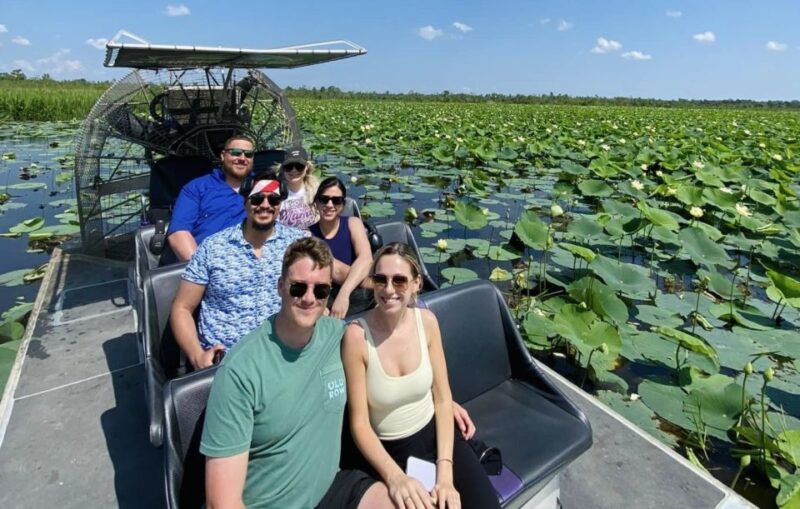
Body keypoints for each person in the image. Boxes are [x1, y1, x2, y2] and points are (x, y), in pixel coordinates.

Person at [201, 237, 394, 508]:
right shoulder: (240, 372)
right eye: (298, 287)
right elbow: (222, 503)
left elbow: (392, 354)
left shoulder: (338, 336)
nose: (308, 298)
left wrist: (439, 398)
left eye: (320, 290)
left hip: (331, 489)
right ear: (281, 286)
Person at [342, 243, 501, 509]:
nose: (389, 289)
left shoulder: (427, 323)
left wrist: (445, 474)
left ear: (416, 283)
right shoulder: (357, 337)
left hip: (437, 435)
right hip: (391, 452)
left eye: (399, 280)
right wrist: (395, 478)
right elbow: (359, 424)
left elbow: (442, 399)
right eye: (380, 279)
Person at [170, 176, 307, 370]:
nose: (265, 205)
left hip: (284, 355)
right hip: (228, 362)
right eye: (257, 199)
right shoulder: (213, 247)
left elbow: (321, 284)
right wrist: (197, 355)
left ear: (280, 205)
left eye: (273, 200)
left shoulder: (298, 244)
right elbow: (182, 308)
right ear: (245, 202)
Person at [167, 135, 255, 262]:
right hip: (207, 264)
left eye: (248, 154)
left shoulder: (263, 187)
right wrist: (201, 268)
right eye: (236, 153)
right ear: (223, 155)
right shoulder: (197, 187)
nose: (242, 158)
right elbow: (179, 233)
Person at [309, 177, 372, 319]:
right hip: (326, 293)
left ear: (342, 205)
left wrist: (344, 294)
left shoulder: (353, 223)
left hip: (353, 291)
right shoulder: (308, 234)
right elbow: (334, 270)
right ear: (316, 203)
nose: (329, 205)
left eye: (336, 200)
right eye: (324, 199)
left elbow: (366, 259)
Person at [277, 145, 319, 229]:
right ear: (283, 169)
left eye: (299, 166)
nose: (294, 170)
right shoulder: (276, 192)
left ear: (307, 167)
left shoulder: (317, 191)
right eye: (289, 166)